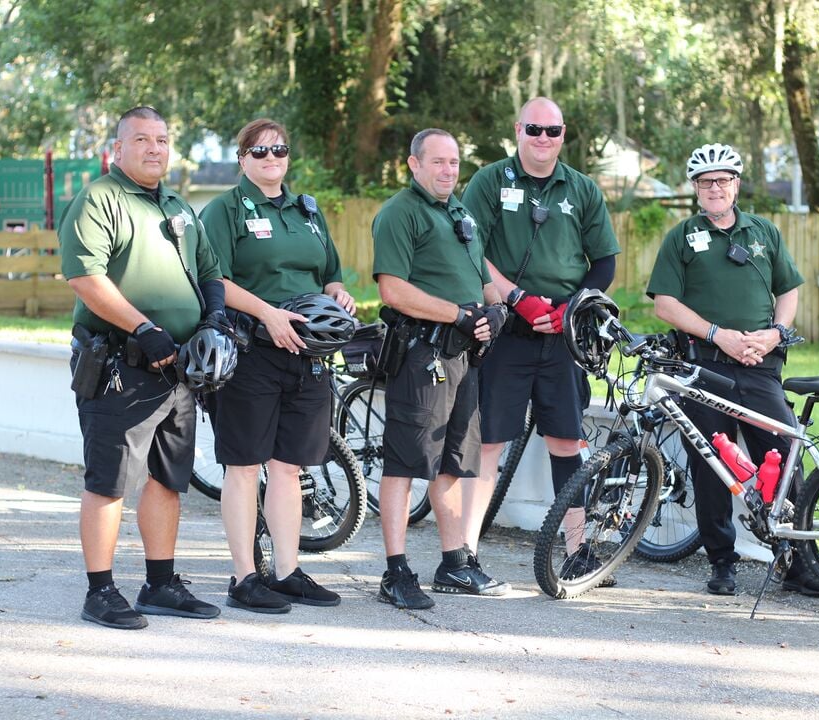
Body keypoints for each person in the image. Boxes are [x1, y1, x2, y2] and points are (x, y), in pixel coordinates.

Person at [60, 106, 226, 629]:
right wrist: (142, 328)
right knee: (108, 481)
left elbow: (210, 271)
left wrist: (215, 317)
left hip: (177, 369)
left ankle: (160, 584)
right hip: (120, 366)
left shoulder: (177, 204)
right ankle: (100, 591)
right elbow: (86, 278)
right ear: (118, 148)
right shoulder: (100, 199)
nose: (155, 148)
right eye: (142, 139)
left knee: (167, 479)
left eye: (162, 139)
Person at [645, 142, 819, 597]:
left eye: (722, 181)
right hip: (704, 368)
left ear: (736, 185)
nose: (714, 189)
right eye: (706, 183)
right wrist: (716, 334)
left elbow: (788, 290)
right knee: (711, 467)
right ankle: (721, 562)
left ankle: (798, 564)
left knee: (784, 457)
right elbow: (666, 304)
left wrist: (774, 334)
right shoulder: (681, 237)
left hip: (761, 366)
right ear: (695, 189)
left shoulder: (763, 232)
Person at [199, 118, 355, 614]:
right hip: (252, 352)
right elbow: (214, 278)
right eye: (259, 152)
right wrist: (266, 311)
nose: (271, 159)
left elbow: (329, 273)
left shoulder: (307, 210)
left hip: (306, 357)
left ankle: (287, 572)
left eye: (279, 150)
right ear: (243, 158)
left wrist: (338, 294)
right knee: (244, 468)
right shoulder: (225, 210)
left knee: (288, 469)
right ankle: (244, 576)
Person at [462, 97, 620, 577]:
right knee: (489, 443)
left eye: (553, 131)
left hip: (562, 335)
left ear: (563, 134)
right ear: (518, 130)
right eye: (535, 129)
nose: (543, 139)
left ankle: (577, 552)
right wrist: (516, 299)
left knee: (567, 442)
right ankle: (464, 553)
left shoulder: (582, 188)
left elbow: (605, 262)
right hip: (506, 332)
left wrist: (569, 308)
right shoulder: (490, 181)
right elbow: (471, 247)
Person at [371, 128, 508, 609]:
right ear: (414, 165)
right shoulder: (400, 213)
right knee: (406, 462)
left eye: (454, 162)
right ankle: (395, 571)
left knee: (452, 461)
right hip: (422, 356)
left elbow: (482, 280)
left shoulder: (461, 211)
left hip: (464, 357)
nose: (449, 170)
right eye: (438, 162)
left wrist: (495, 310)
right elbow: (393, 289)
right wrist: (457, 314)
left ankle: (454, 564)